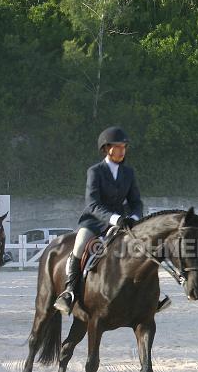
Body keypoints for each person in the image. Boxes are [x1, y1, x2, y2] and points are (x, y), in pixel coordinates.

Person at [54, 126, 144, 314]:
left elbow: (136, 201)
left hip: (123, 222)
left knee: (143, 248)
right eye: (118, 147)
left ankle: (146, 296)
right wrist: (115, 218)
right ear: (106, 148)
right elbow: (93, 204)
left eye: (124, 147)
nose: (122, 150)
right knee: (79, 246)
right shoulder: (95, 171)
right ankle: (69, 292)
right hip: (94, 222)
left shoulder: (129, 172)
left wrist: (134, 218)